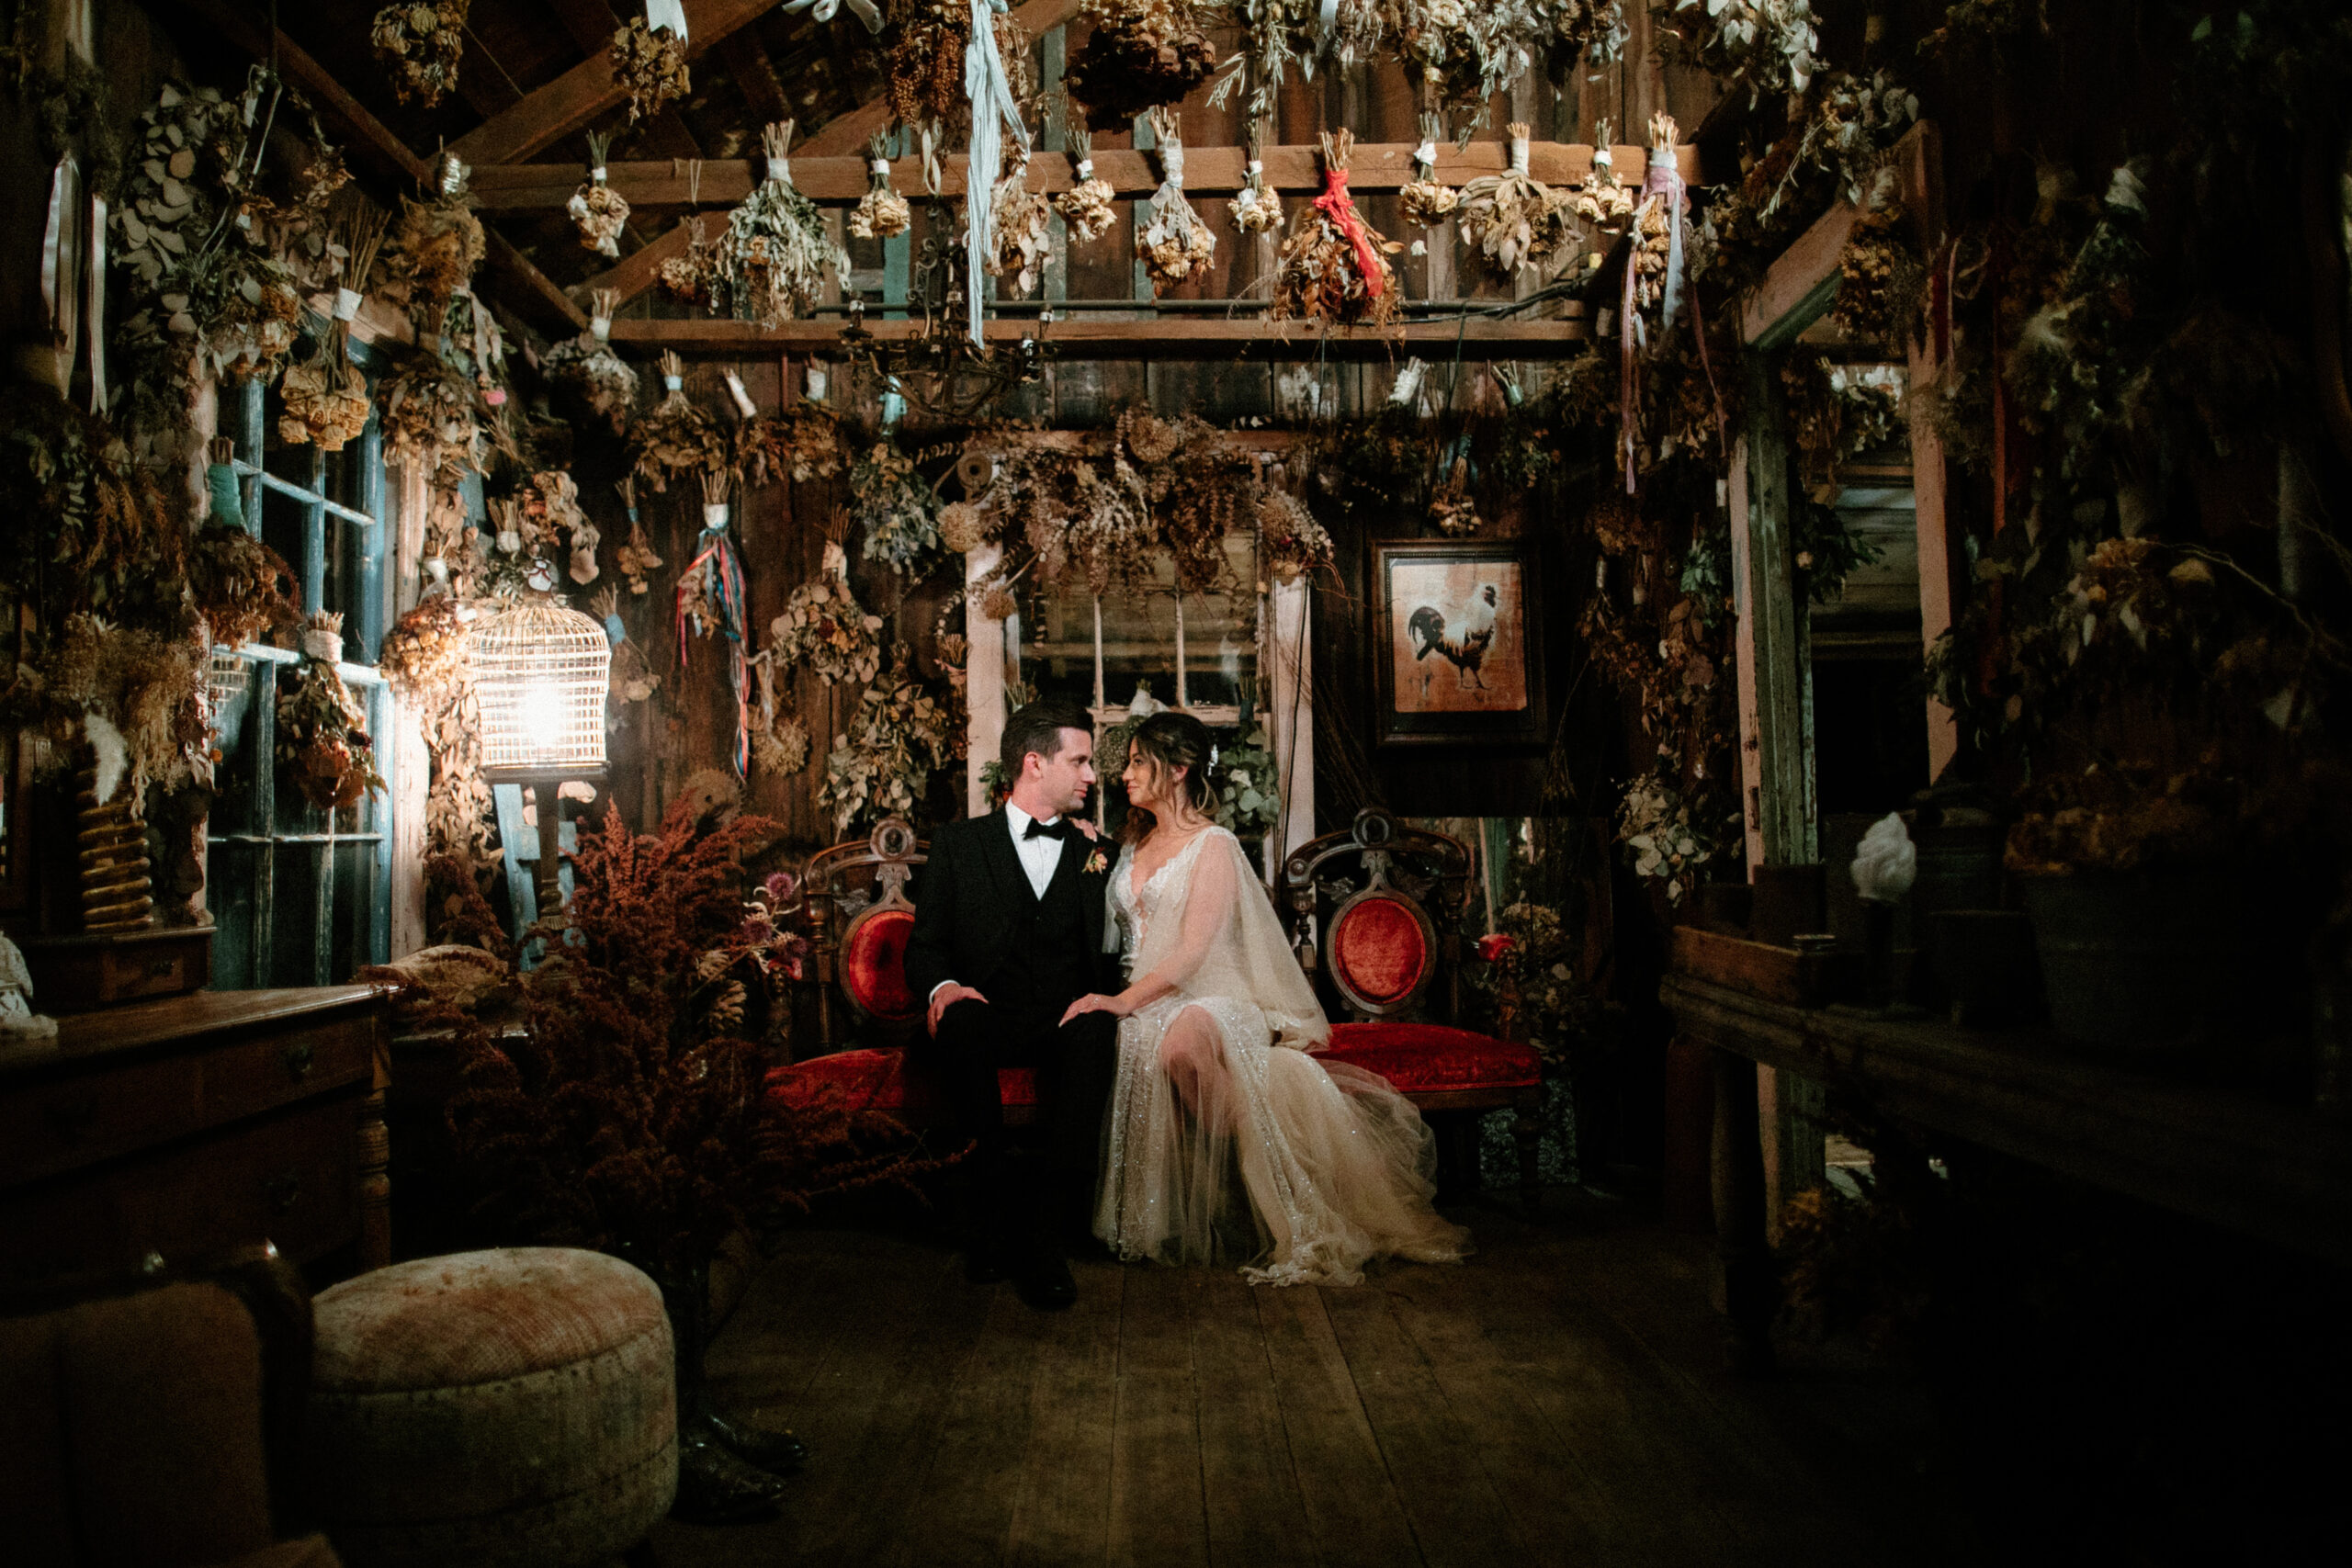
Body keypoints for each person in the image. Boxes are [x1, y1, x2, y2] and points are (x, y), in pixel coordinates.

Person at [1066, 711, 1470, 1286]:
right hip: (1143, 996)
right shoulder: (1128, 847)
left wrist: (1122, 1002)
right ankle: (1225, 1202)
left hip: (1208, 994)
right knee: (1134, 1047)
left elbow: (1192, 951)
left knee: (1179, 1051)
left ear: (1177, 770)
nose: (1124, 775)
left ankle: (1293, 1197)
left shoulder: (1214, 845)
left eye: (1137, 762)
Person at [904, 700, 1122, 1311]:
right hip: (987, 1016)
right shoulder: (958, 844)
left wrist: (1105, 996)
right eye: (1079, 760)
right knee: (961, 1020)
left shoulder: (1097, 853)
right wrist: (943, 987)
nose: (1090, 774)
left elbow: (1115, 953)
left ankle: (1044, 1234)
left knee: (1096, 1029)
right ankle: (993, 1218)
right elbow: (924, 950)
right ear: (1035, 763)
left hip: (1061, 1018)